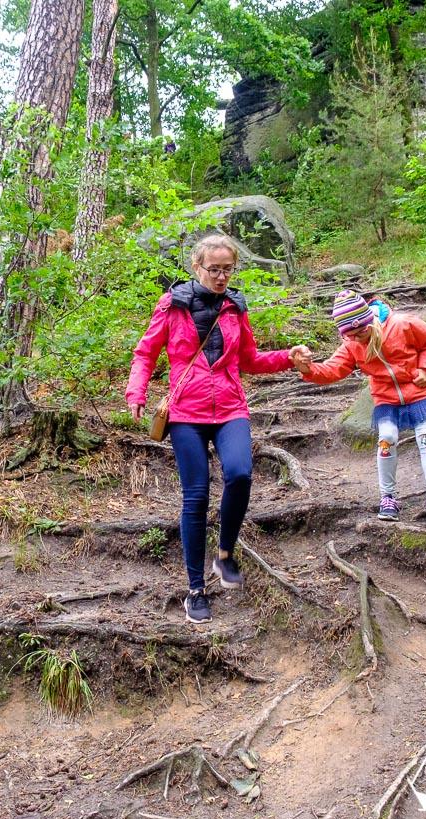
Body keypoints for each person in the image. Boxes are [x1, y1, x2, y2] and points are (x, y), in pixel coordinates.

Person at [126, 235, 303, 624]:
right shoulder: (172, 305)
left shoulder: (235, 308)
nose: (222, 276)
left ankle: (224, 555)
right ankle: (195, 589)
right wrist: (136, 391)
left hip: (229, 407)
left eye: (228, 269)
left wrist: (288, 358)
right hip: (186, 412)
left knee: (240, 474)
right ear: (196, 268)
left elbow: (250, 360)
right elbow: (146, 352)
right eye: (214, 269)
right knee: (197, 495)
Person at [290, 290, 426, 522]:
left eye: (362, 332)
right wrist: (307, 369)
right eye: (352, 335)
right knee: (386, 439)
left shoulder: (402, 324)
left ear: (370, 320)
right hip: (386, 398)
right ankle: (388, 497)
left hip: (419, 393)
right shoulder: (351, 345)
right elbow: (332, 370)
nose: (359, 338)